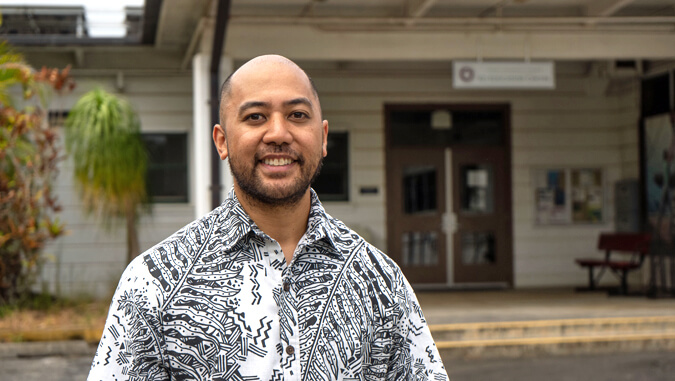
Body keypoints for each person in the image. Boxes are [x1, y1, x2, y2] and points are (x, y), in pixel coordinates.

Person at [88, 54, 449, 381]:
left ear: (322, 137)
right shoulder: (154, 283)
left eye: (297, 115)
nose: (278, 133)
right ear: (222, 141)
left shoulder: (380, 282)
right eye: (255, 117)